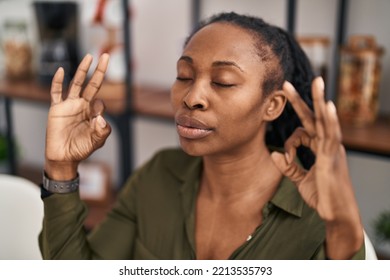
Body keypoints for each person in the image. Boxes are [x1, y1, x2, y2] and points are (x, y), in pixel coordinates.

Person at [39, 12, 364, 260]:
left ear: (272, 105)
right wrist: (61, 169)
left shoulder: (317, 213)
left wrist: (342, 229)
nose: (192, 96)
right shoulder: (157, 175)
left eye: (223, 81)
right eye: (184, 75)